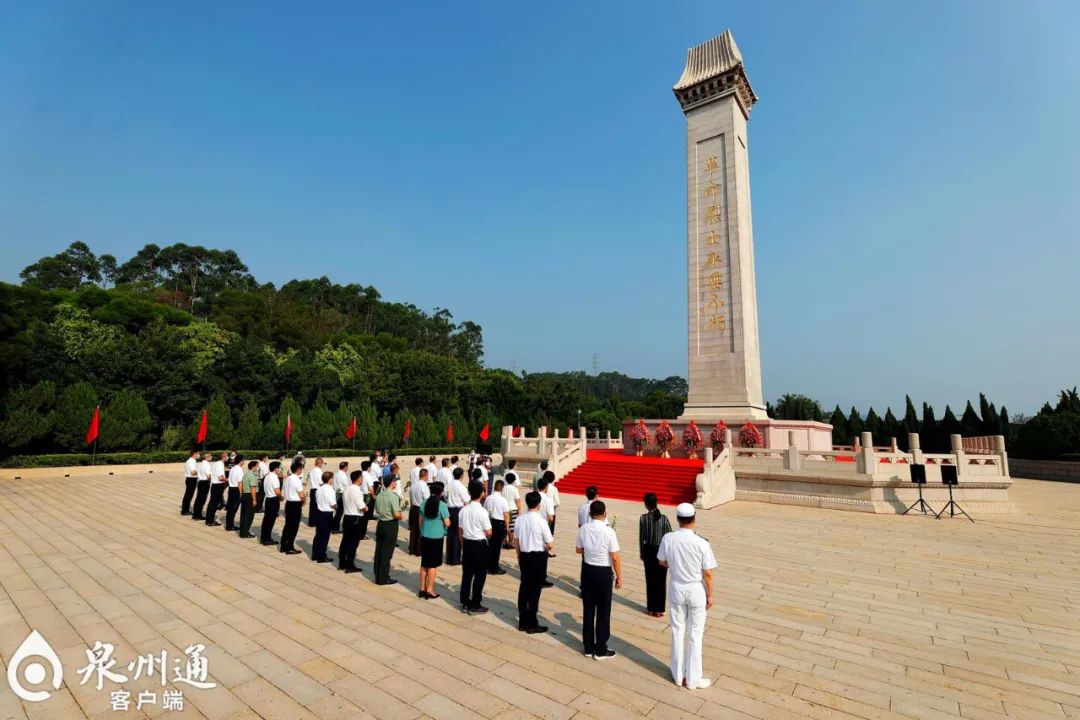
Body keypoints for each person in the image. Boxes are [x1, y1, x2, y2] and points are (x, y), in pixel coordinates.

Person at [657, 503, 717, 690]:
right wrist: (710, 595)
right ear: (694, 519)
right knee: (695, 633)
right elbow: (707, 573)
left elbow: (662, 561)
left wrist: (676, 566)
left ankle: (677, 674)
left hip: (676, 586)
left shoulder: (668, 538)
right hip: (695, 589)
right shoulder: (701, 543)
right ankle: (693, 679)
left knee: (677, 629)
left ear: (677, 519)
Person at [576, 500, 622, 660]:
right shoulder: (609, 531)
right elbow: (615, 557)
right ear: (605, 514)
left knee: (588, 609)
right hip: (603, 572)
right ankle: (601, 648)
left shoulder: (584, 529)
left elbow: (578, 549)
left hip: (588, 570)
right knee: (603, 610)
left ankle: (588, 647)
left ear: (589, 514)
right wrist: (619, 577)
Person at [514, 491, 553, 633]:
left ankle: (523, 622)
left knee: (524, 587)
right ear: (538, 504)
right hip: (537, 557)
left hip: (524, 556)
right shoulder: (541, 521)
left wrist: (519, 556)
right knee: (535, 591)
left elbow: (516, 541)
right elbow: (550, 544)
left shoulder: (520, 519)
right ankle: (532, 623)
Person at [459, 481, 492, 614]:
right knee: (479, 576)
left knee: (467, 574)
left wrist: (463, 544)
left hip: (467, 543)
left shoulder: (463, 510)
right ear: (482, 493)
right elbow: (489, 532)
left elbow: (460, 530)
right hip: (479, 545)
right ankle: (475, 603)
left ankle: (465, 602)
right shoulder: (482, 511)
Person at [640, 493, 673, 617]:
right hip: (661, 550)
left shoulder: (643, 518)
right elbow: (670, 535)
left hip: (648, 550)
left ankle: (650, 608)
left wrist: (641, 552)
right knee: (660, 581)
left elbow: (641, 537)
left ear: (646, 504)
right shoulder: (663, 518)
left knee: (650, 580)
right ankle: (659, 609)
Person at [419, 482, 449, 599]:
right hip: (436, 538)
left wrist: (422, 531)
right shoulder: (441, 505)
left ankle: (422, 588)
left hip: (425, 535)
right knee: (432, 565)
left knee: (424, 563)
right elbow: (447, 522)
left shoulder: (424, 503)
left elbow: (420, 520)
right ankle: (430, 589)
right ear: (440, 492)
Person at [373, 474, 403, 585]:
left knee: (379, 550)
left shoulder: (380, 495)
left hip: (381, 523)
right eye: (395, 481)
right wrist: (401, 516)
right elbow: (396, 514)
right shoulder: (393, 496)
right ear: (392, 483)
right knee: (387, 553)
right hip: (390, 525)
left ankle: (378, 574)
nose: (396, 483)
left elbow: (377, 510)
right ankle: (383, 578)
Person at [337, 470, 367, 573]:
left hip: (347, 517)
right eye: (362, 477)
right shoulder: (357, 490)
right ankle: (350, 565)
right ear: (359, 478)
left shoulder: (347, 488)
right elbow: (361, 506)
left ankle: (342, 562)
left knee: (345, 541)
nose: (363, 479)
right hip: (355, 518)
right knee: (353, 543)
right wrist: (366, 508)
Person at [279, 460, 305, 555]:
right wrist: (304, 499)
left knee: (287, 526)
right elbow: (301, 494)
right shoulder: (296, 479)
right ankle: (289, 547)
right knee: (294, 527)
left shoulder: (288, 478)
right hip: (295, 505)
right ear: (298, 469)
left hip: (288, 504)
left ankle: (283, 546)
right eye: (301, 468)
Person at [484, 479, 511, 574]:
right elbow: (506, 514)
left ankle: (487, 565)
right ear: (502, 488)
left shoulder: (488, 498)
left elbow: (485, 511)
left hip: (490, 522)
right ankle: (494, 567)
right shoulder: (503, 500)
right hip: (499, 524)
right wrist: (507, 527)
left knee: (490, 545)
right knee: (497, 547)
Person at [445, 467, 469, 566]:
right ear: (462, 475)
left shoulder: (448, 485)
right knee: (457, 535)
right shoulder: (461, 486)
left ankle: (449, 557)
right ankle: (455, 558)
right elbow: (466, 501)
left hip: (449, 510)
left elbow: (444, 496)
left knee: (450, 534)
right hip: (457, 510)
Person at [312, 470, 336, 563]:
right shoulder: (330, 489)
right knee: (324, 536)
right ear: (329, 479)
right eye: (332, 478)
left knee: (318, 535)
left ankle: (315, 554)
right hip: (326, 514)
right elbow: (333, 503)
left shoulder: (319, 488)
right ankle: (321, 556)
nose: (333, 480)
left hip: (319, 513)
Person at [260, 461, 283, 545]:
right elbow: (277, 491)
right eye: (279, 468)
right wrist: (281, 497)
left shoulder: (268, 476)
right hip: (273, 500)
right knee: (270, 521)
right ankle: (267, 539)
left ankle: (264, 537)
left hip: (268, 499)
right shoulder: (274, 477)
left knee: (266, 520)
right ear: (276, 468)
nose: (280, 469)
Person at [408, 468, 430, 556]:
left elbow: (410, 496)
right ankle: (418, 549)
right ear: (426, 475)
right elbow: (427, 499)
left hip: (414, 508)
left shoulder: (414, 485)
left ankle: (412, 548)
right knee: (421, 529)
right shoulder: (424, 486)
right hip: (421, 509)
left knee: (413, 529)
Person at [501, 466, 522, 549]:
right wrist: (519, 510)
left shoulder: (503, 488)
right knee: (511, 528)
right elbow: (518, 500)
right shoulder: (514, 489)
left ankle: (504, 541)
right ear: (514, 480)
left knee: (504, 527)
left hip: (504, 510)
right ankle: (510, 542)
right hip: (513, 509)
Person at [205, 452, 228, 527]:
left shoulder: (215, 463)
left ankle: (208, 519)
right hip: (218, 485)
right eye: (226, 456)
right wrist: (227, 480)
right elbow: (220, 478)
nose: (227, 457)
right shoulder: (220, 464)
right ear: (224, 457)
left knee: (212, 503)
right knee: (214, 504)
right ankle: (210, 521)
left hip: (214, 485)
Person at [238, 460, 259, 539]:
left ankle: (243, 532)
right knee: (249, 515)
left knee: (244, 514)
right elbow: (253, 488)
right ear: (253, 466)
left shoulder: (246, 474)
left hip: (244, 495)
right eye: (257, 466)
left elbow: (241, 484)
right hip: (250, 496)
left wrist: (241, 494)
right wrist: (254, 500)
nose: (257, 467)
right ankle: (245, 532)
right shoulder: (252, 476)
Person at [225, 454, 245, 531]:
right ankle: (230, 526)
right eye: (243, 460)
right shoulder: (239, 469)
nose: (244, 462)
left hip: (231, 489)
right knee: (233, 509)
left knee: (230, 508)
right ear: (241, 461)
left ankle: (229, 524)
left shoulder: (233, 468)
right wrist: (241, 494)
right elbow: (240, 483)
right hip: (236, 490)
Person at [358, 460, 376, 541]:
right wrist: (373, 496)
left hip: (359, 495)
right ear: (368, 467)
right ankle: (362, 534)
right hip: (366, 496)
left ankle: (358, 532)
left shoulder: (360, 474)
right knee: (365, 517)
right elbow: (371, 488)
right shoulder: (368, 476)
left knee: (360, 515)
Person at [192, 452, 212, 520]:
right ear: (207, 457)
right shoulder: (207, 465)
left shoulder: (200, 463)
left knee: (198, 498)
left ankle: (195, 514)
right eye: (210, 456)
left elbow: (196, 472)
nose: (211, 457)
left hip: (200, 482)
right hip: (205, 482)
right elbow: (209, 476)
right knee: (202, 499)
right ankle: (198, 515)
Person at [306, 458, 326, 527]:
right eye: (322, 463)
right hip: (318, 490)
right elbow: (321, 482)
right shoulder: (319, 471)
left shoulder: (311, 471)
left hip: (312, 490)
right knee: (318, 507)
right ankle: (317, 521)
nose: (322, 465)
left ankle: (311, 522)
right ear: (320, 463)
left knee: (312, 507)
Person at [332, 461, 349, 533]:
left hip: (336, 492)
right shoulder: (343, 475)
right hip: (341, 493)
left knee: (338, 512)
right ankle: (335, 528)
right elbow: (346, 486)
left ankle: (334, 527)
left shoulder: (336, 474)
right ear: (345, 467)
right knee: (339, 512)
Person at [181, 449, 200, 515]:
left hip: (189, 479)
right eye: (198, 454)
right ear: (194, 454)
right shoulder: (192, 461)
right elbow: (193, 472)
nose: (198, 455)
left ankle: (185, 509)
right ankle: (185, 510)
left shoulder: (189, 460)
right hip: (192, 479)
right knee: (189, 495)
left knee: (187, 495)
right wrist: (200, 472)